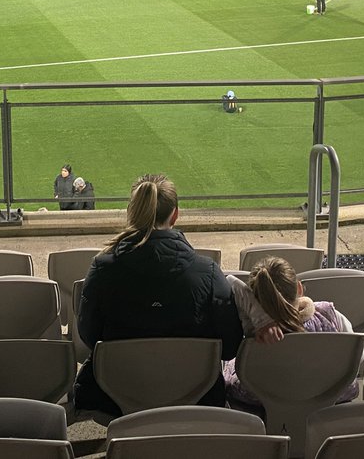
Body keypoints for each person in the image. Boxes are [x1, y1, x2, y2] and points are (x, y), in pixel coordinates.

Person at [74, 174, 243, 416]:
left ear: (132, 213)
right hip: (197, 393)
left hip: (115, 392)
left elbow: (89, 335)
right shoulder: (209, 273)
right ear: (175, 215)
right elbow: (230, 346)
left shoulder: (102, 269)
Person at [223, 257, 357, 410]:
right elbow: (358, 356)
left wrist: (259, 318)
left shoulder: (254, 333)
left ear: (253, 299)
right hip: (327, 408)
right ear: (299, 288)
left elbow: (229, 282)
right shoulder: (330, 315)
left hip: (264, 413)